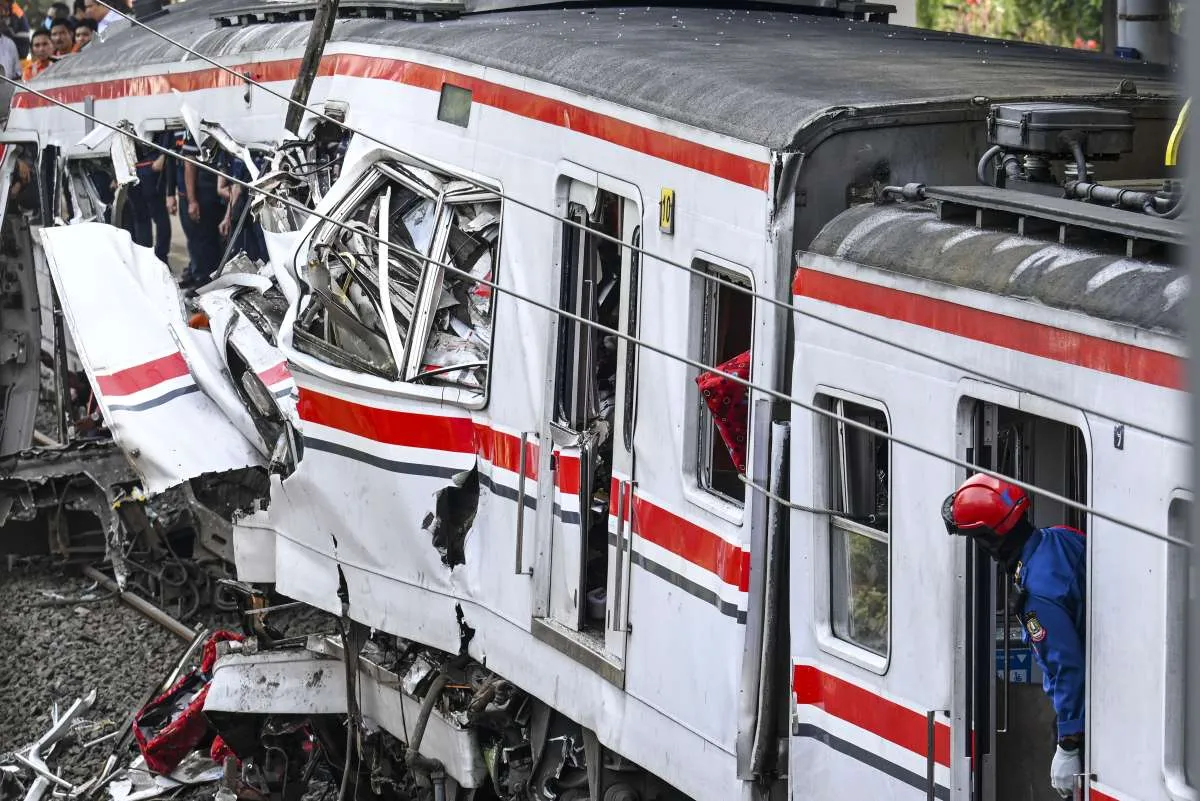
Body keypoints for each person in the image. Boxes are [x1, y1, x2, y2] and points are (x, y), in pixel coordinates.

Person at [942, 474, 1086, 798]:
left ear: (991, 540)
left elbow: (1068, 669)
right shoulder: (1058, 538)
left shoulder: (1036, 600)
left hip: (1082, 718)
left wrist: (1068, 743)